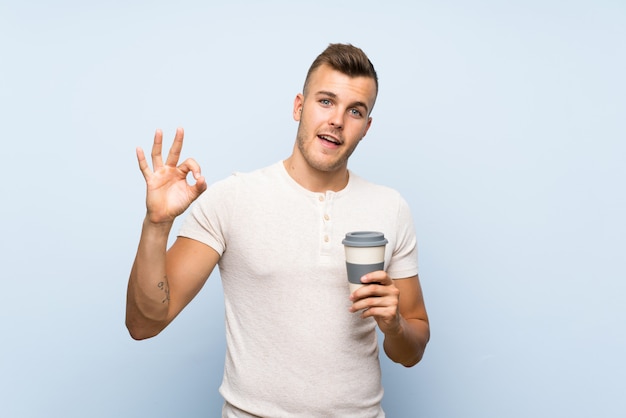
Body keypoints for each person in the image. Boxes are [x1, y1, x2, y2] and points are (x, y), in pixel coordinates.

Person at [126, 43, 430, 417]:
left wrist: (395, 326)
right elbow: (143, 324)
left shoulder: (390, 208)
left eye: (355, 111)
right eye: (325, 101)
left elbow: (413, 348)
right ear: (298, 107)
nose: (337, 120)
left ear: (366, 128)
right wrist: (157, 225)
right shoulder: (233, 199)